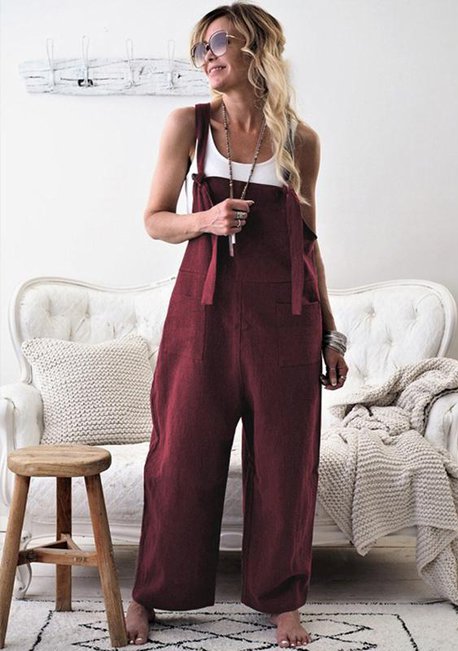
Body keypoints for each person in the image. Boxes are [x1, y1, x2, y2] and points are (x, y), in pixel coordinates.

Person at [125, 2, 349, 647]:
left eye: (219, 41)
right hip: (202, 319)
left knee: (285, 466)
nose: (207, 56)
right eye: (200, 47)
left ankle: (282, 600)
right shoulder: (188, 126)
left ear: (258, 47)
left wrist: (330, 334)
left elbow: (308, 245)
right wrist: (205, 220)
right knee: (179, 459)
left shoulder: (301, 141)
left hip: (288, 323)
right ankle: (151, 594)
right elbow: (154, 219)